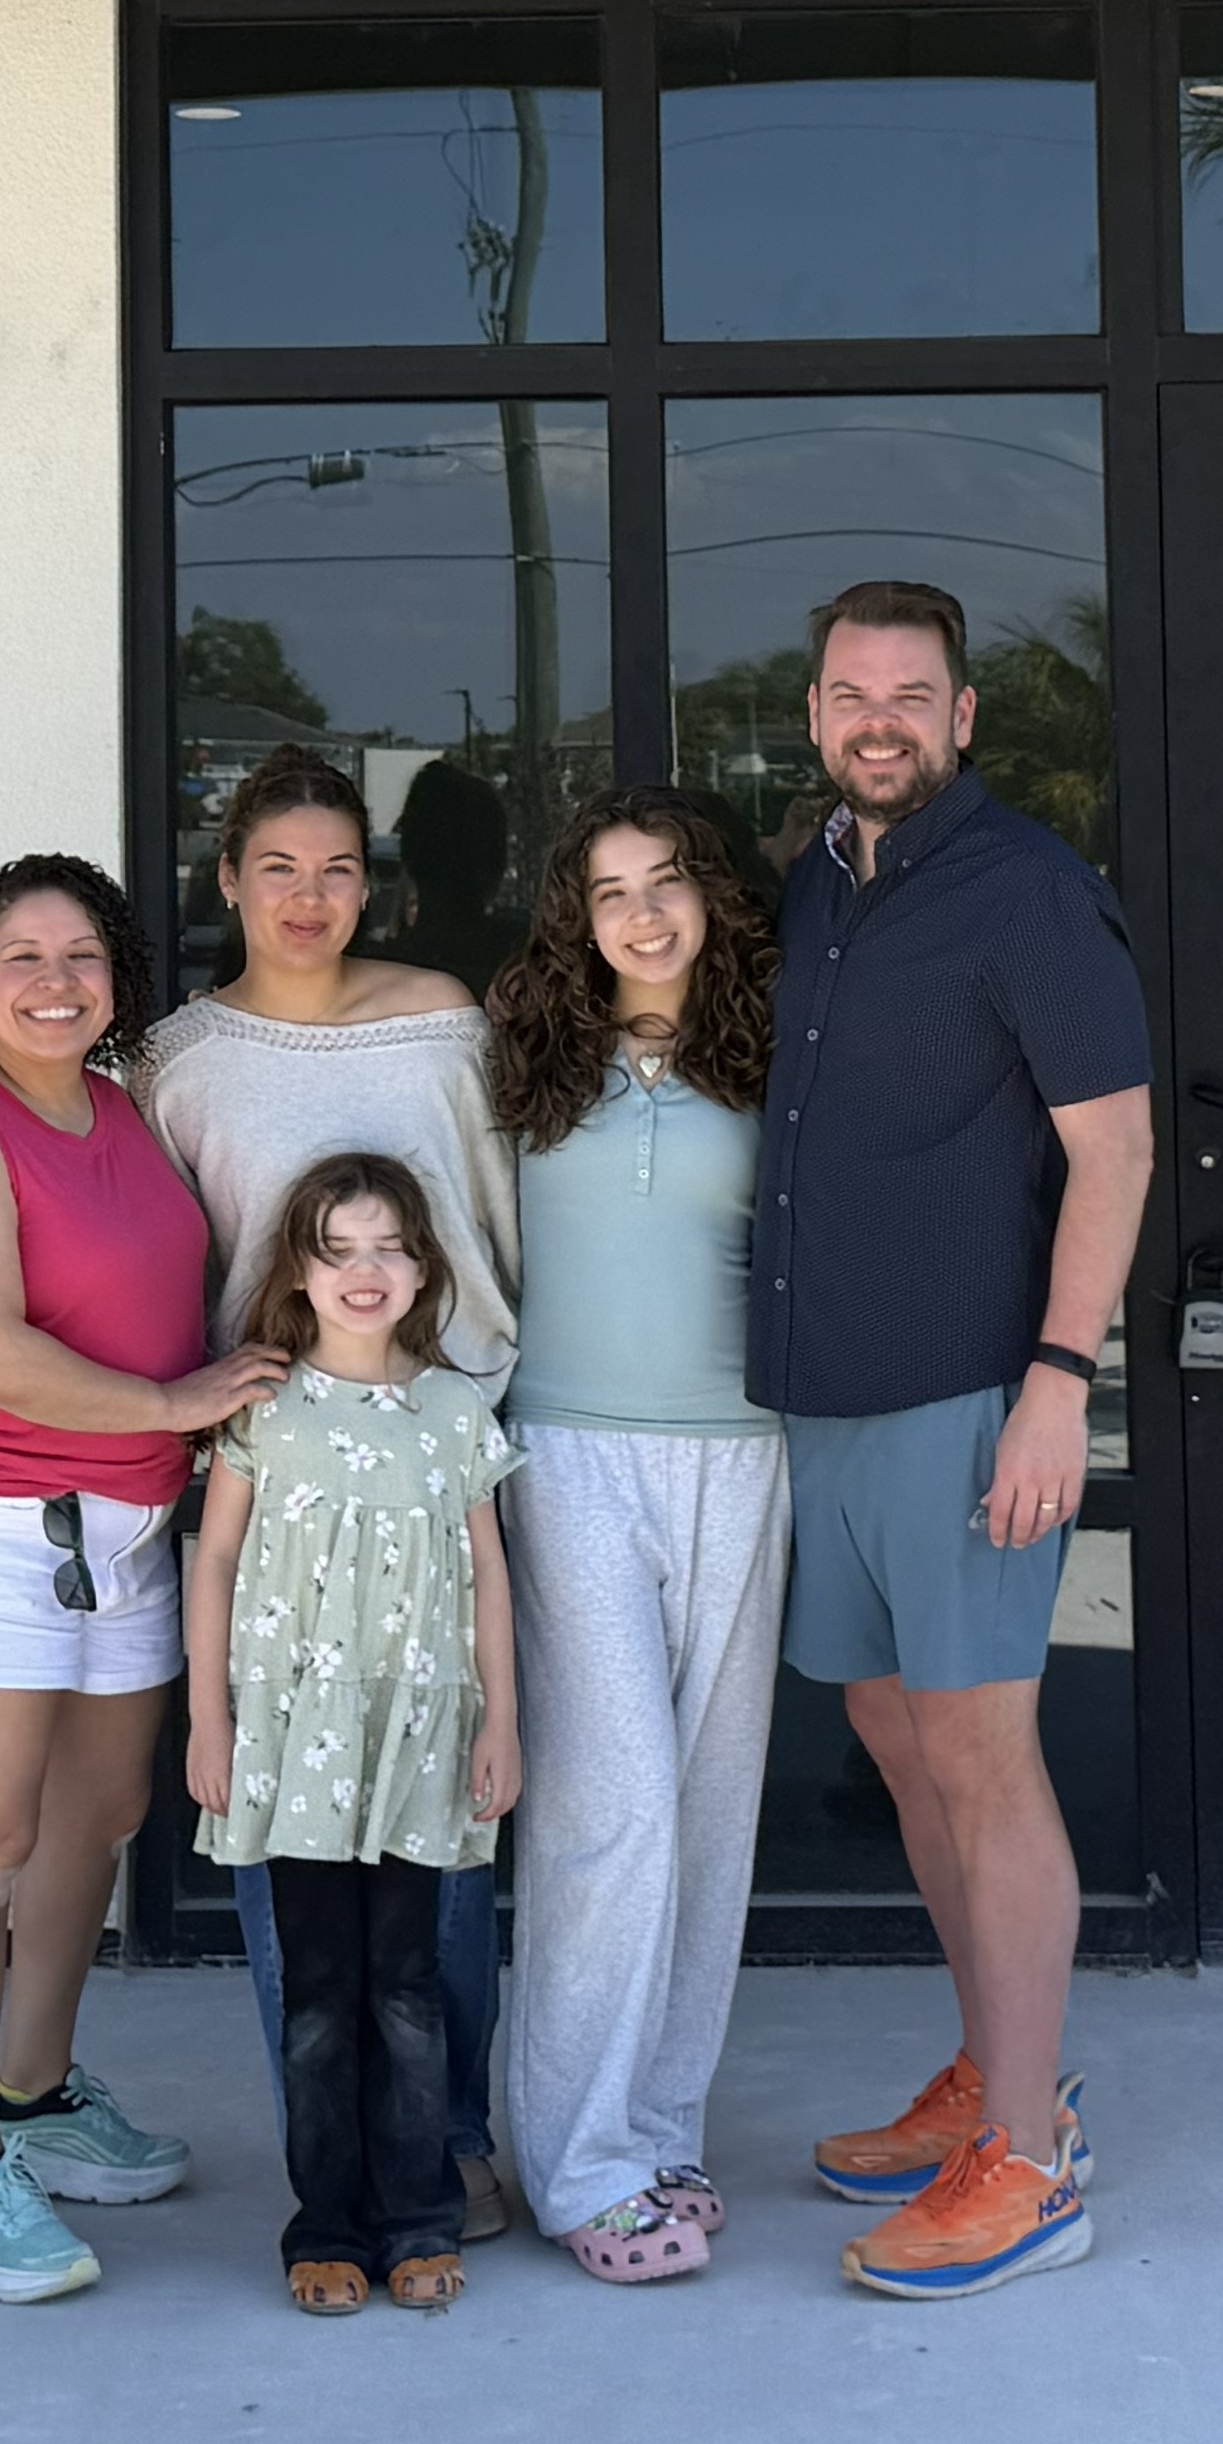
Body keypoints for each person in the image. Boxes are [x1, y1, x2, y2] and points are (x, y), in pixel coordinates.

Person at [753, 580, 1153, 2303]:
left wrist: (1060, 1375)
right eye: (851, 691)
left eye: (909, 693)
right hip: (822, 1398)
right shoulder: (813, 890)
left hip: (972, 1398)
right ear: (816, 707)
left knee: (981, 1755)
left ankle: (1034, 2161)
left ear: (963, 714)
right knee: (898, 1738)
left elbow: (1115, 1149)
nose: (879, 719)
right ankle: (996, 2076)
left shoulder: (1027, 890)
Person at [0, 853, 285, 2304]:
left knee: (98, 1817)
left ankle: (35, 2087)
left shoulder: (122, 1109)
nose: (56, 982)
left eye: (82, 955)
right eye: (21, 959)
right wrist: (185, 1405)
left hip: (122, 1522)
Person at [135, 747, 526, 2239]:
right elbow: (177, 1266)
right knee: (283, 1838)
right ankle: (336, 2161)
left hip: (446, 1446)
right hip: (278, 1476)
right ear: (229, 877)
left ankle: (456, 2137)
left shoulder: (444, 1022)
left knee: (447, 1819)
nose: (311, 897)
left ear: (379, 881)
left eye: (341, 867)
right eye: (279, 867)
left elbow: (500, 1225)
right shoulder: (179, 1059)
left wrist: (480, 1388)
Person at [482, 790, 787, 2284]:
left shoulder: (781, 1052)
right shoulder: (526, 1059)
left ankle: (659, 2127)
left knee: (712, 1808)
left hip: (747, 1453)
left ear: (713, 895)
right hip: (570, 1453)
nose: (643, 914)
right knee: (612, 1812)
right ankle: (578, 2163)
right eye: (609, 892)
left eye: (668, 882)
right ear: (576, 918)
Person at [180, 1152, 526, 2313]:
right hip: (292, 1748)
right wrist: (211, 1724)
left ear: (425, 1267)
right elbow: (215, 1560)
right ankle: (323, 2224)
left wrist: (502, 1727)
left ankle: (420, 2217)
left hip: (419, 1744)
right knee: (322, 1992)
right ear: (299, 1271)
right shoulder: (265, 1409)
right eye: (338, 1250)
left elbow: (487, 1574)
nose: (364, 1272)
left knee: (411, 1989)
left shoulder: (453, 1412)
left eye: (388, 1247)